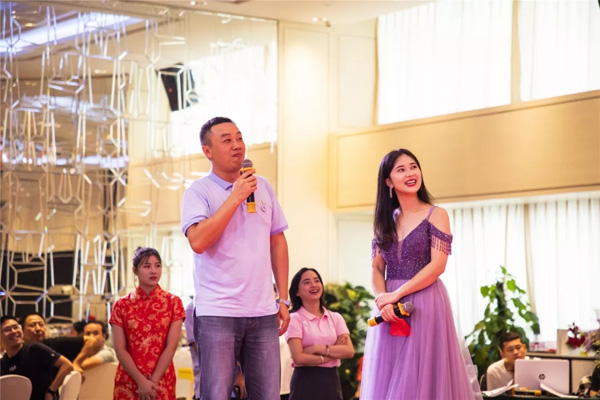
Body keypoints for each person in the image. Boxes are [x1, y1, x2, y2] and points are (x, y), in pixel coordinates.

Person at [181, 116, 290, 400]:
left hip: (263, 311)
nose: (237, 145)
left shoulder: (262, 186)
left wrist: (283, 298)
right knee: (216, 394)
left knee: (268, 395)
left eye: (239, 138)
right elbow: (198, 242)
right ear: (207, 151)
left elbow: (277, 240)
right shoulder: (198, 191)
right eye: (227, 140)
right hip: (218, 311)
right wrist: (236, 196)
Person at [360, 149, 480, 399]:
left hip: (426, 301)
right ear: (388, 181)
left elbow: (437, 266)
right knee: (391, 376)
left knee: (424, 375)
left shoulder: (436, 214)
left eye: (413, 167)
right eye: (401, 169)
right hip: (388, 307)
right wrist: (383, 299)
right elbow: (376, 267)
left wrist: (396, 295)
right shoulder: (384, 221)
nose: (410, 173)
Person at [109, 247, 185, 400]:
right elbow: (120, 349)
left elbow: (171, 347)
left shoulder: (173, 303)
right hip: (129, 380)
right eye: (147, 266)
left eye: (157, 265)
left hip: (161, 380)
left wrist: (153, 382)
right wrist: (141, 381)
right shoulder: (121, 305)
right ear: (135, 270)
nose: (153, 271)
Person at [285, 268, 354, 400]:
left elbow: (349, 351)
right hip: (304, 381)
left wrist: (317, 349)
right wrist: (332, 355)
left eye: (317, 281)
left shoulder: (335, 317)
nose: (313, 285)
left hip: (331, 381)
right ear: (297, 292)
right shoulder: (294, 319)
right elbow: (299, 358)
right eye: (307, 282)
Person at [1, 315, 74, 400]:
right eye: (7, 329)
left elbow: (67, 365)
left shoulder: (36, 349)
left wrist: (51, 390)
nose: (14, 331)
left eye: (16, 327)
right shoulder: (3, 364)